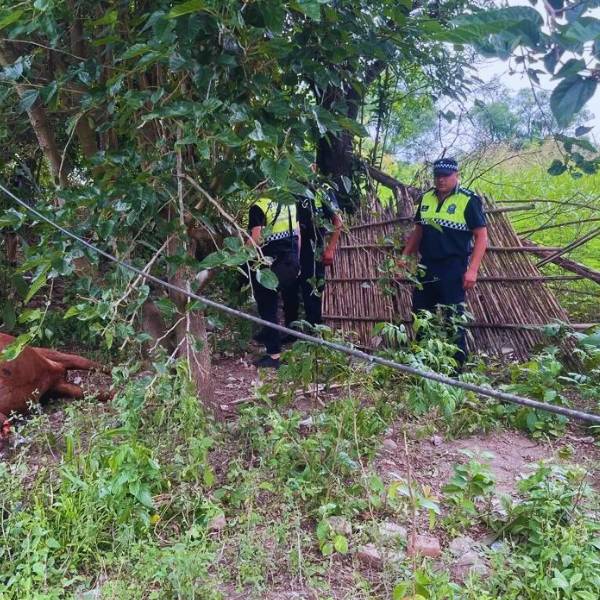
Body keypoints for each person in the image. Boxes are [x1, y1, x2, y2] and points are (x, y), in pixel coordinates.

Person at [401, 158, 488, 368]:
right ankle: (423, 364)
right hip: (426, 265)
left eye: (446, 176)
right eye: (438, 176)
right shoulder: (427, 198)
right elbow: (419, 231)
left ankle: (456, 368)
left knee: (453, 318)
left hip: (453, 267)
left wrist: (472, 270)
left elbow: (481, 236)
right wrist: (404, 258)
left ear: (456, 175)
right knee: (421, 314)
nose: (441, 180)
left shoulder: (468, 200)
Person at [248, 194, 300, 369]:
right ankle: (286, 337)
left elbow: (257, 239)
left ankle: (274, 354)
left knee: (267, 307)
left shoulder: (259, 206)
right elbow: (297, 233)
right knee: (287, 301)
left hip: (270, 264)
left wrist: (238, 252)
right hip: (291, 261)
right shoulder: (289, 202)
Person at [295, 167, 343, 327]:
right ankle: (300, 325)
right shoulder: (294, 188)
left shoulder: (324, 189)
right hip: (298, 244)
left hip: (317, 243)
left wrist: (330, 248)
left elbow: (338, 220)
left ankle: (316, 325)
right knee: (301, 283)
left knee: (316, 283)